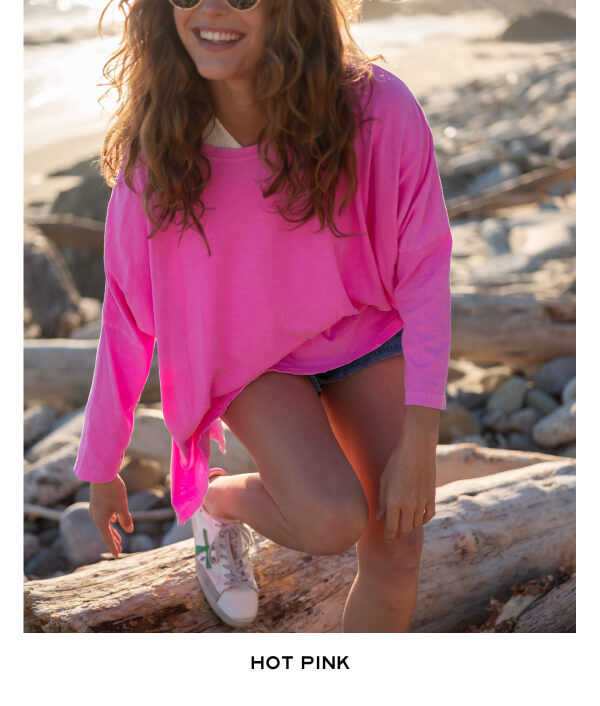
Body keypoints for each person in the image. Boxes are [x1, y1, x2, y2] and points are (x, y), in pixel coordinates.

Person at [74, 0, 453, 633]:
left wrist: (422, 435)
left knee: (398, 550)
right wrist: (101, 463)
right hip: (251, 363)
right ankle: (218, 503)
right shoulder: (157, 162)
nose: (212, 10)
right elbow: (127, 316)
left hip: (367, 335)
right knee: (332, 521)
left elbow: (425, 265)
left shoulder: (376, 109)